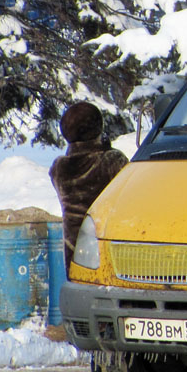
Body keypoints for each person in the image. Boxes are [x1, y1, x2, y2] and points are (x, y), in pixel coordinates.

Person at [50, 102, 128, 273]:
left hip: (74, 252)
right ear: (99, 128)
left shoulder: (58, 168)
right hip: (107, 249)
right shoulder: (112, 160)